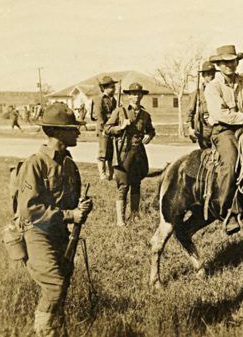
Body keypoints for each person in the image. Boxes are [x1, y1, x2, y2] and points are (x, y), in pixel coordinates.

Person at [15, 102, 93, 336]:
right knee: (54, 284)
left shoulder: (68, 164)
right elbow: (30, 210)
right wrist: (71, 215)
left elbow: (69, 201)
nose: (78, 131)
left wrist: (80, 207)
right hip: (37, 232)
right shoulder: (35, 164)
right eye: (73, 128)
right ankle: (43, 332)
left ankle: (57, 329)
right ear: (58, 132)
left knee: (63, 282)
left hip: (59, 233)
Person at [204, 45, 243, 234]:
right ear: (219, 65)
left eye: (232, 61)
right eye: (225, 62)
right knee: (231, 160)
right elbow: (221, 115)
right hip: (224, 130)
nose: (229, 65)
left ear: (237, 62)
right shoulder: (213, 87)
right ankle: (227, 209)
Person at [105, 82, 156, 227]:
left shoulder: (145, 114)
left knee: (136, 184)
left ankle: (134, 215)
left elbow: (151, 130)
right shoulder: (120, 111)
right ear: (128, 96)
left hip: (138, 153)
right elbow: (106, 129)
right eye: (133, 94)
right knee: (123, 186)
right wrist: (121, 127)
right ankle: (120, 220)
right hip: (123, 153)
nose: (136, 96)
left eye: (139, 94)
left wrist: (149, 136)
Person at [93, 76, 118, 180]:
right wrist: (104, 129)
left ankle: (111, 175)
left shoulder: (114, 100)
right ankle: (102, 175)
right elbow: (99, 115)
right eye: (112, 87)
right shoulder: (99, 99)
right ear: (105, 88)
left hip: (111, 129)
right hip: (103, 129)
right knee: (103, 153)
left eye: (114, 87)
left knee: (111, 153)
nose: (114, 89)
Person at [187, 61, 217, 149]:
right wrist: (190, 128)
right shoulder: (197, 93)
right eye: (208, 74)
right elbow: (190, 112)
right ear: (203, 75)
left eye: (213, 74)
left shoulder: (220, 91)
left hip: (218, 128)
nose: (211, 76)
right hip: (204, 130)